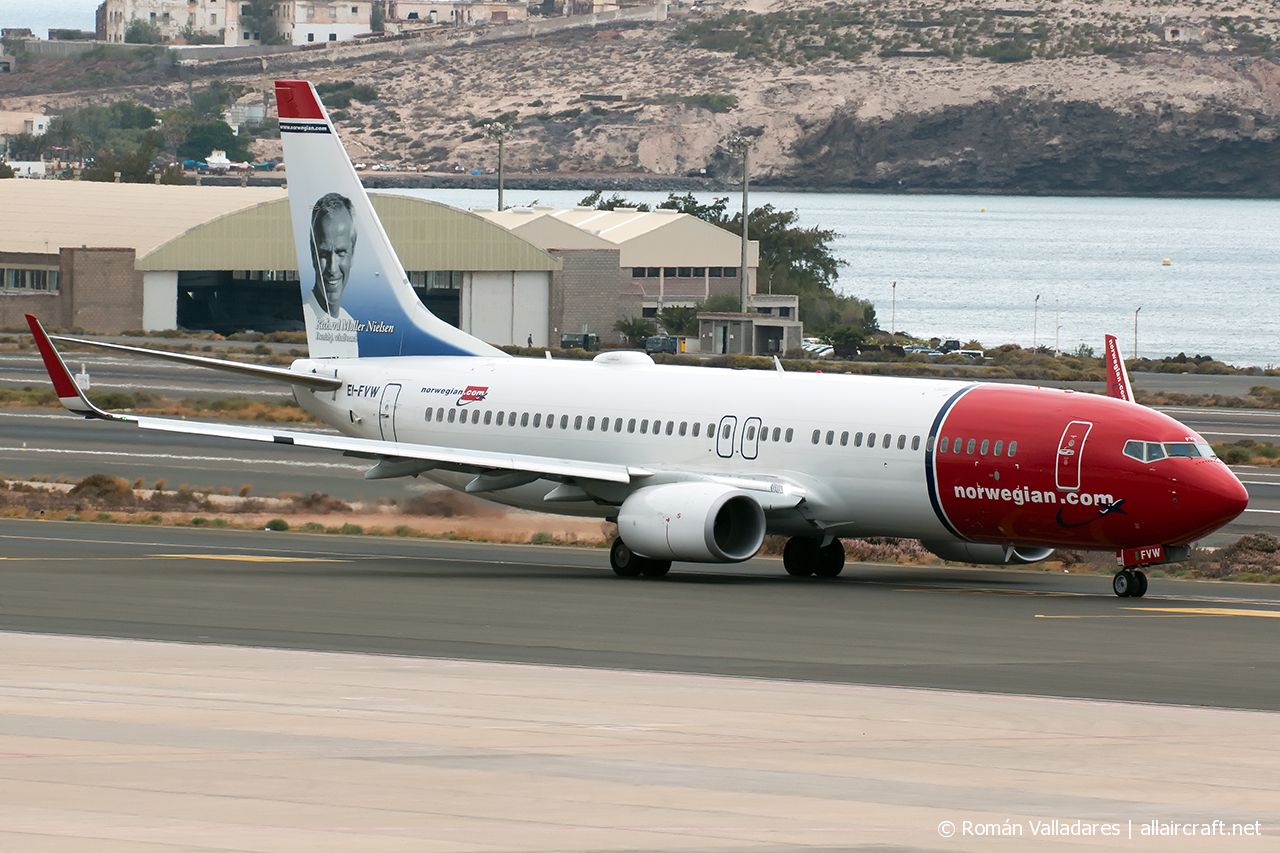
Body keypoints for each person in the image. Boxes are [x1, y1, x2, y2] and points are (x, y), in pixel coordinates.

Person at [309, 192, 357, 318]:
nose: (333, 269)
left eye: (341, 253)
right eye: (324, 254)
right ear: (313, 254)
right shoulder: (307, 317)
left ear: (352, 254)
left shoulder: (348, 324)